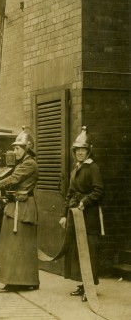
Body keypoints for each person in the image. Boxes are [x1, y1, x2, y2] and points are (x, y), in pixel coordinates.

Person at [0, 127, 39, 292]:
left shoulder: (29, 163)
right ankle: (23, 280)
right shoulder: (23, 163)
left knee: (16, 246)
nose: (14, 151)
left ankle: (18, 281)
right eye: (14, 148)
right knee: (15, 245)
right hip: (17, 207)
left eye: (18, 148)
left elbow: (13, 179)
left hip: (23, 208)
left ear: (27, 148)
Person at [59, 126, 104, 302]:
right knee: (78, 250)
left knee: (89, 250)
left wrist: (85, 202)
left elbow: (98, 190)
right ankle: (82, 283)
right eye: (77, 150)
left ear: (88, 151)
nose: (80, 153)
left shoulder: (93, 168)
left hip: (89, 215)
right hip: (75, 214)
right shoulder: (75, 170)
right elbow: (69, 193)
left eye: (83, 150)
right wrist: (63, 214)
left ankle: (90, 287)